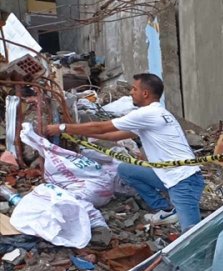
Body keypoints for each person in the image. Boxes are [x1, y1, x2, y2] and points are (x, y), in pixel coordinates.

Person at [44, 72, 205, 230]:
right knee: (125, 170)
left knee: (192, 234)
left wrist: (62, 127)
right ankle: (166, 210)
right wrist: (74, 132)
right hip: (169, 174)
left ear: (145, 93)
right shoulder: (157, 114)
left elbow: (102, 127)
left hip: (183, 180)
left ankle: (202, 256)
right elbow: (112, 135)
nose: (131, 92)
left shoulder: (147, 114)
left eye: (134, 89)